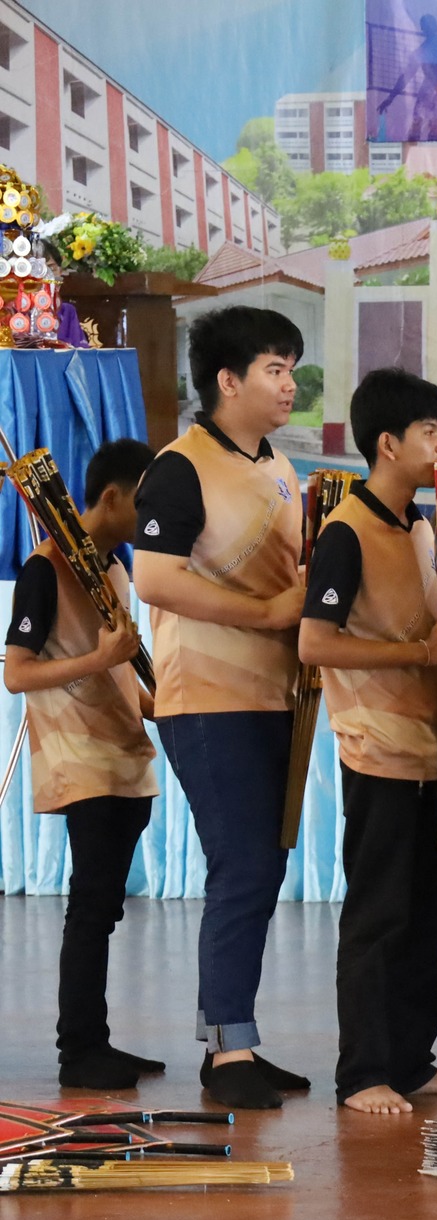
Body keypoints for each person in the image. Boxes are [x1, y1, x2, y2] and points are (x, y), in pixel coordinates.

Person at [298, 370, 437, 1115]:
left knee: (433, 909)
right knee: (379, 914)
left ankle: (412, 1058)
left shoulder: (420, 523)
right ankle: (363, 1071)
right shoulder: (346, 530)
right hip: (378, 749)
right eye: (428, 434)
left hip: (432, 748)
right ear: (387, 443)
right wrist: (417, 654)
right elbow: (316, 642)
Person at [133, 307, 309, 1110]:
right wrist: (271, 614)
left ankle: (234, 1034)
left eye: (293, 369)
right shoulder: (181, 466)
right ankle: (225, 1048)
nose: (288, 385)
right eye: (275, 369)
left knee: (260, 866)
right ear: (227, 380)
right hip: (206, 699)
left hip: (272, 695)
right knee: (242, 865)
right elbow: (155, 580)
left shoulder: (279, 465)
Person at [4, 439, 159, 1091]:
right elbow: (17, 674)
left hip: (125, 753)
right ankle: (78, 1050)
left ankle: (95, 1042)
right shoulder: (46, 567)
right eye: (144, 501)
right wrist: (100, 659)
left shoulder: (113, 565)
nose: (153, 517)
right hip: (81, 755)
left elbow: (123, 667)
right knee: (90, 907)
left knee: (103, 907)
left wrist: (164, 703)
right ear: (114, 496)